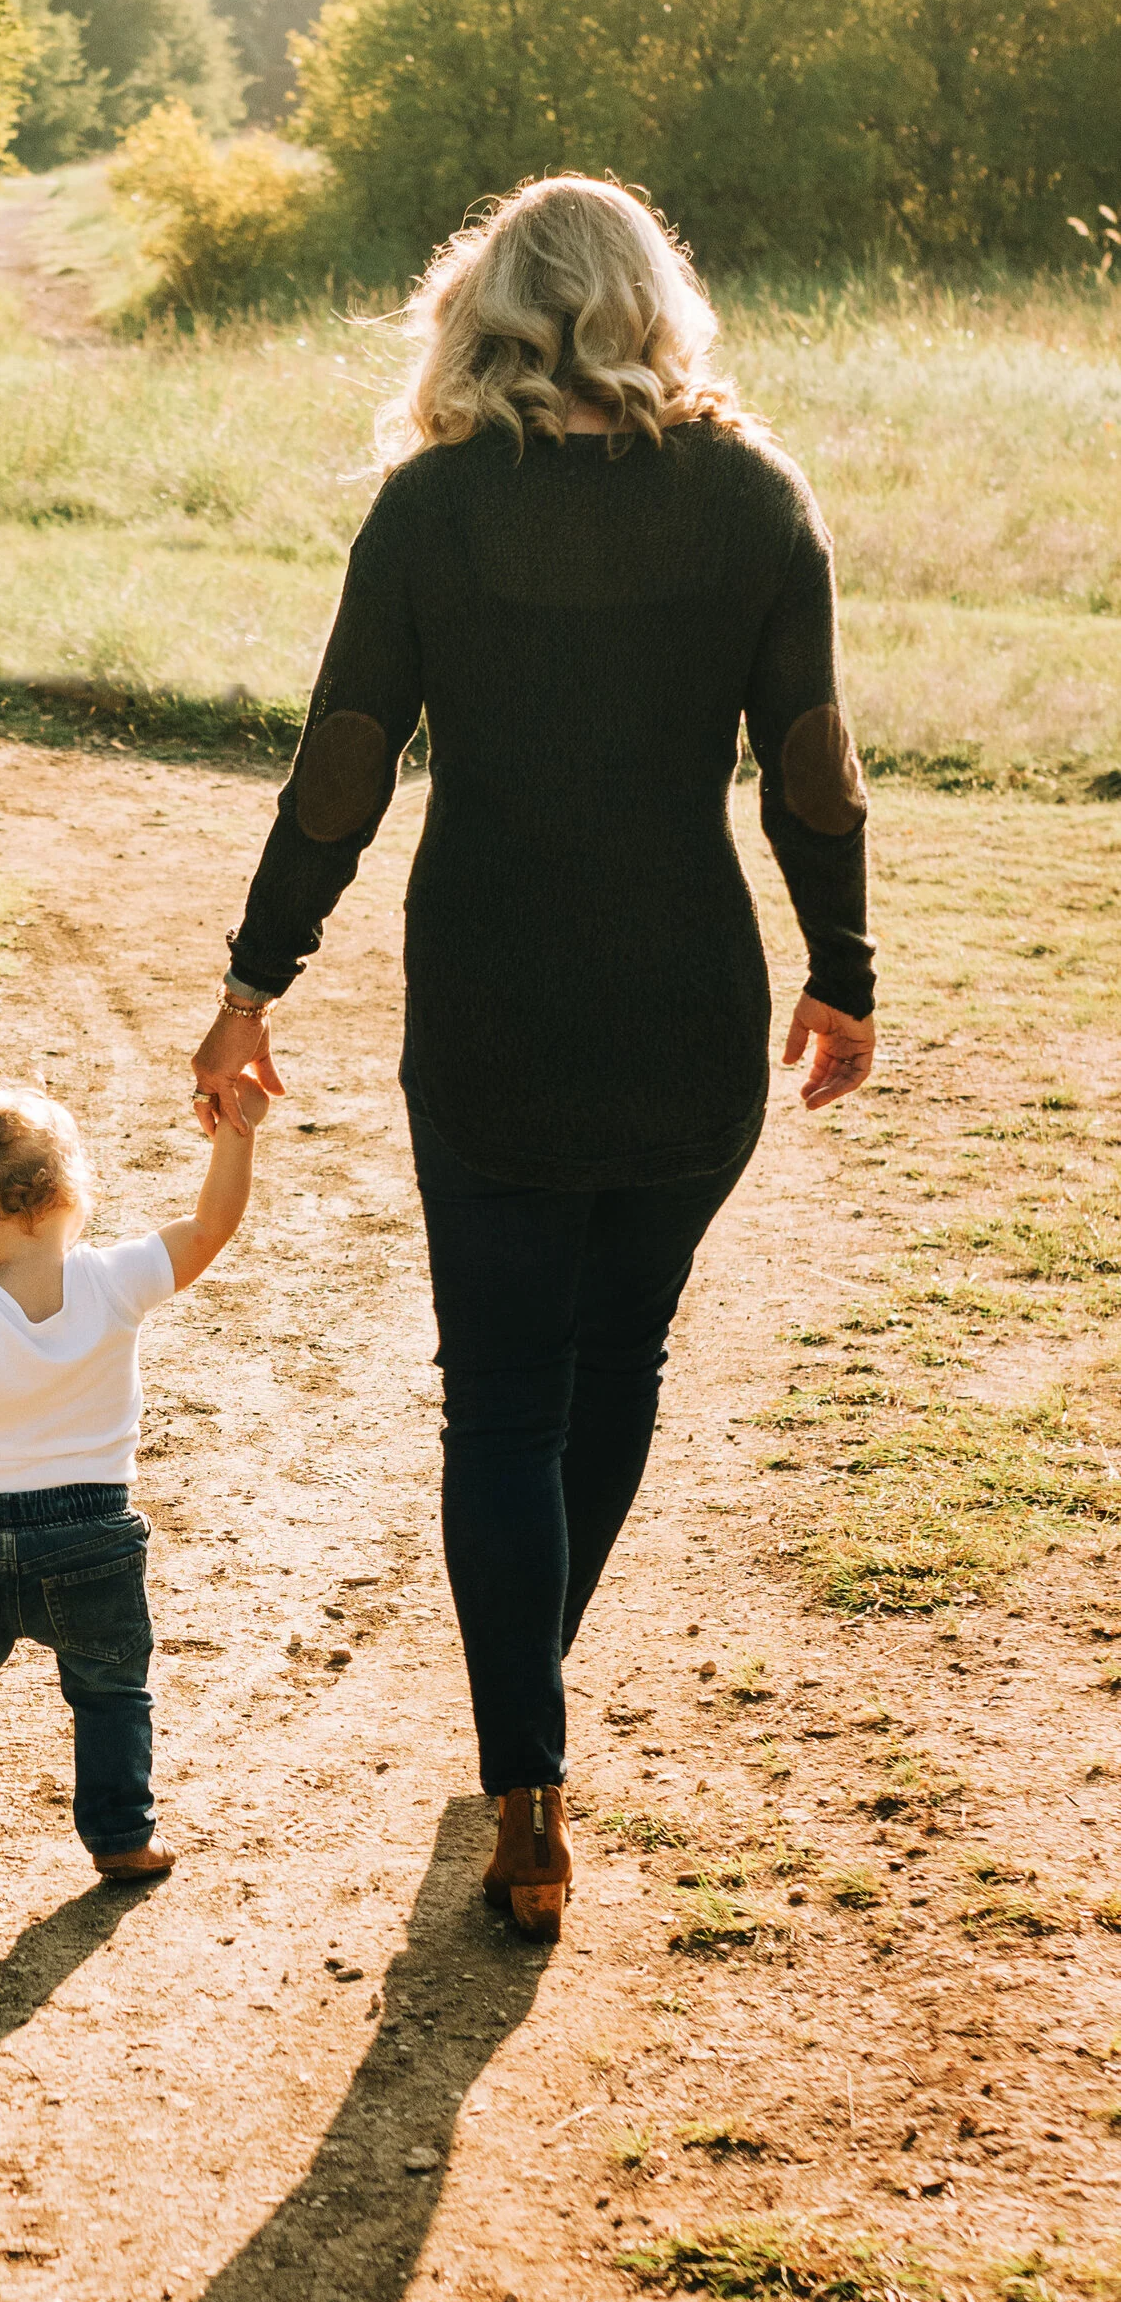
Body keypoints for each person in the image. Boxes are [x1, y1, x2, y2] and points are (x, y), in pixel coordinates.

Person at [191, 174, 877, 1938]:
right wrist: (845, 970)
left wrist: (255, 978)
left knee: (498, 1394)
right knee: (618, 1355)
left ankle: (525, 1769)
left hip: (491, 999)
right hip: (686, 1007)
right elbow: (808, 762)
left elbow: (342, 761)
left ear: (490, 309)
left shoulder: (430, 512)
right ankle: (531, 1719)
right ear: (656, 303)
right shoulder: (753, 499)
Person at [0, 1083, 267, 1880]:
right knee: (113, 1690)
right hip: (96, 1538)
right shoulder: (116, 1279)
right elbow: (211, 1226)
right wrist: (235, 1139)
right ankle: (122, 1834)